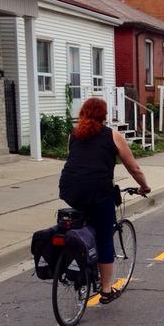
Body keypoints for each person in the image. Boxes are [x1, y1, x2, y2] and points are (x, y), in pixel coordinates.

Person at [59, 97, 151, 305]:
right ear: (104, 115)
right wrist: (144, 186)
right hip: (99, 192)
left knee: (83, 223)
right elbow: (134, 168)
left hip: (70, 190)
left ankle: (80, 260)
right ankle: (107, 289)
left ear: (83, 113)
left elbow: (75, 162)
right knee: (104, 237)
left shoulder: (73, 135)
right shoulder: (113, 136)